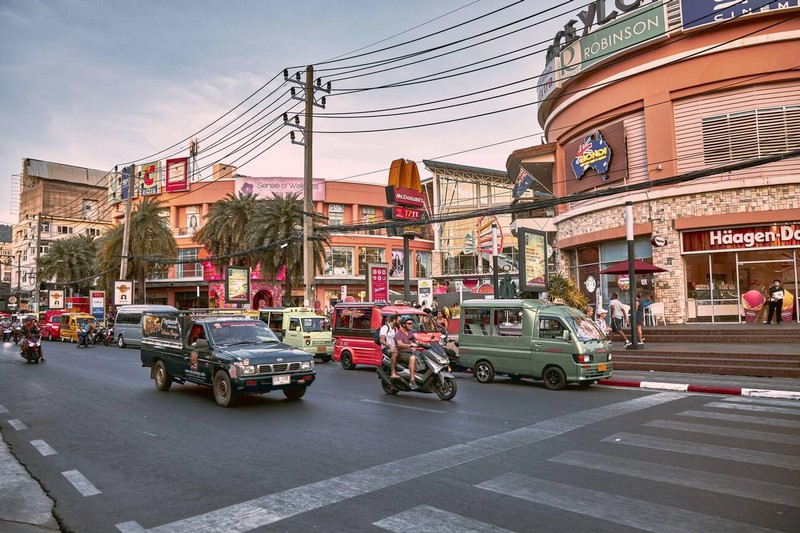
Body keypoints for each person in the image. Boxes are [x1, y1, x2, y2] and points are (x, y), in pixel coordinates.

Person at [393, 317, 420, 389]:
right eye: (409, 324)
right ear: (404, 325)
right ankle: (412, 380)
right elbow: (399, 344)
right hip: (402, 353)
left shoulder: (410, 333)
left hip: (410, 352)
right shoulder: (399, 334)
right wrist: (410, 345)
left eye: (411, 323)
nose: (411, 325)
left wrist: (421, 343)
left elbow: (416, 341)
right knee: (413, 358)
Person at [380, 314, 401, 379]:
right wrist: (390, 346)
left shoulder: (395, 329)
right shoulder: (385, 327)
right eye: (399, 321)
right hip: (386, 348)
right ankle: (393, 372)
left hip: (394, 347)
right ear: (394, 320)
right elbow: (382, 340)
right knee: (395, 352)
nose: (400, 322)